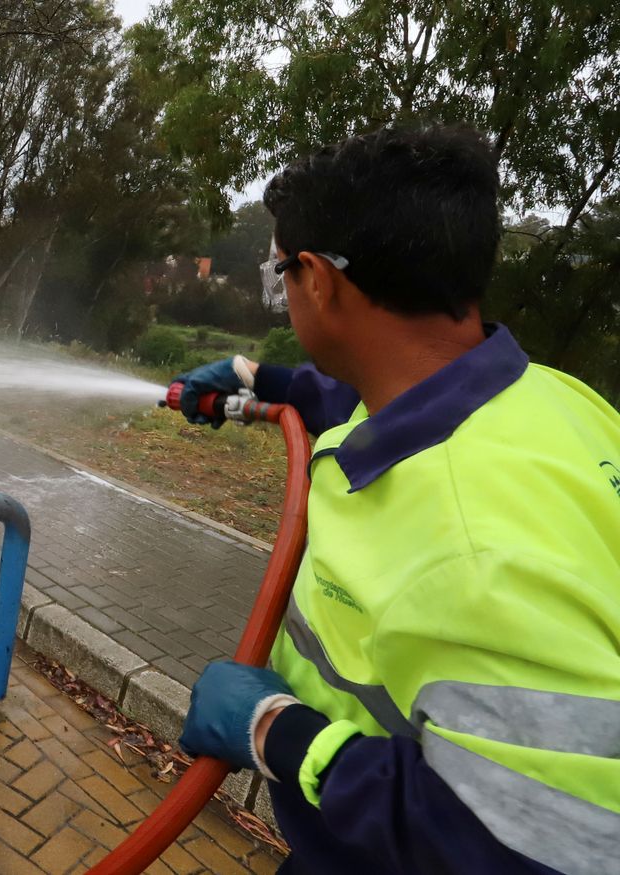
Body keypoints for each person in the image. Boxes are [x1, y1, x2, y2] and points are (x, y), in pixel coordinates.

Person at [172, 126, 620, 875]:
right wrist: (259, 380)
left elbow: (528, 848)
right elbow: (366, 398)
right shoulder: (556, 399)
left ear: (319, 280)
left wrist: (277, 732)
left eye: (282, 274)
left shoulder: (474, 551)